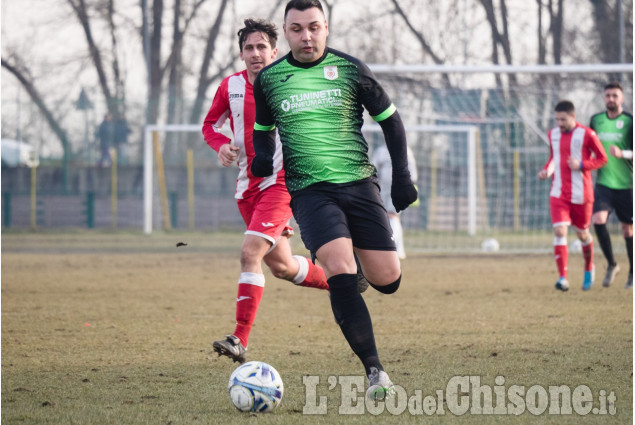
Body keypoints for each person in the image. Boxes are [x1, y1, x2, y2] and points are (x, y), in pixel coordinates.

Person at [251, 0, 418, 401]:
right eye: (296, 29)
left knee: (387, 280)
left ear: (326, 27)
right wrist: (260, 154)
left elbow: (391, 121)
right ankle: (375, 371)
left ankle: (360, 268)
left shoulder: (350, 69)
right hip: (310, 191)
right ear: (285, 34)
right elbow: (262, 127)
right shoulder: (271, 79)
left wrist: (402, 179)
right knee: (339, 269)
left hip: (360, 185)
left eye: (313, 27)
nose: (305, 36)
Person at [202, 18, 333, 364]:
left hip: (280, 185)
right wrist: (220, 146)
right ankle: (343, 282)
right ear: (242, 54)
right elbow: (209, 125)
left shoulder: (292, 84)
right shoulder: (229, 87)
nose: (256, 53)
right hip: (247, 190)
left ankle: (239, 338)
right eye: (249, 48)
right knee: (283, 267)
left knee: (249, 254)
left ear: (275, 52)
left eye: (262, 47)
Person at [538, 100, 607, 291]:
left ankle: (588, 267)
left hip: (582, 194)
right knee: (560, 231)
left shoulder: (587, 134)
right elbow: (554, 158)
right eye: (557, 119)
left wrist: (582, 165)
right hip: (558, 193)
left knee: (582, 234)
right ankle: (563, 278)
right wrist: (546, 171)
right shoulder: (553, 134)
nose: (559, 123)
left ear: (573, 117)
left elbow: (603, 158)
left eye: (563, 119)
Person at [589, 82, 633, 289]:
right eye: (608, 95)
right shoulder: (596, 120)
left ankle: (633, 272)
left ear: (622, 98)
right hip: (604, 183)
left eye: (615, 95)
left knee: (628, 230)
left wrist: (622, 153)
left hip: (627, 184)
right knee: (598, 220)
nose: (611, 99)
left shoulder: (630, 121)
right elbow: (588, 146)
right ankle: (612, 264)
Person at [372, 143, 418, 259]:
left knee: (392, 216)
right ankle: (396, 250)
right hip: (383, 188)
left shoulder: (405, 150)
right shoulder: (381, 151)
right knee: (389, 216)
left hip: (397, 187)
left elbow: (412, 172)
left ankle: (394, 249)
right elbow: (373, 170)